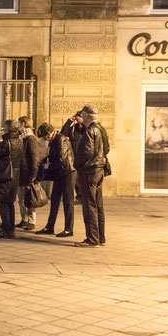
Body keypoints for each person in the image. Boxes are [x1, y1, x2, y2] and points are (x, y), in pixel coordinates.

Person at [74, 105, 110, 247]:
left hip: (89, 171)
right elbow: (106, 148)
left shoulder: (90, 130)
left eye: (82, 115)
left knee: (89, 205)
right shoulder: (101, 128)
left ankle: (92, 238)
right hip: (99, 169)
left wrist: (78, 164)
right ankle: (100, 237)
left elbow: (86, 152)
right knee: (98, 205)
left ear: (86, 115)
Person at [35, 123, 76, 237]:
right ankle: (50, 227)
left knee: (68, 201)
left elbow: (61, 159)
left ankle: (69, 229)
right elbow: (53, 157)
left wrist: (47, 166)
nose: (45, 140)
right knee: (54, 199)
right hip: (59, 172)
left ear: (49, 133)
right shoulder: (54, 140)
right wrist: (44, 161)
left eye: (44, 137)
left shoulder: (61, 140)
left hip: (68, 172)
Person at [0, 120, 24, 238]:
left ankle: (6, 229)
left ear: (8, 130)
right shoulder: (20, 142)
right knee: (10, 203)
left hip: (4, 175)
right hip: (15, 175)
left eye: (4, 128)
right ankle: (11, 229)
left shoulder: (6, 143)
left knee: (2, 203)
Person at [16, 116, 39, 231]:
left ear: (23, 124)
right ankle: (23, 219)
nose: (17, 125)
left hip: (28, 172)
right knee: (21, 198)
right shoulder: (21, 137)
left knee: (30, 198)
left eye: (19, 123)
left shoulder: (30, 138)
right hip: (21, 172)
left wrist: (33, 175)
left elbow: (34, 157)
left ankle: (31, 220)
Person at [61, 111, 85, 203]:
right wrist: (69, 121)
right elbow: (64, 133)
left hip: (83, 157)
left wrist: (82, 122)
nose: (78, 118)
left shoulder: (85, 127)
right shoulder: (73, 128)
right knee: (75, 178)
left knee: (81, 178)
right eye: (78, 117)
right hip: (73, 156)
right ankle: (78, 196)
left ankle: (82, 196)